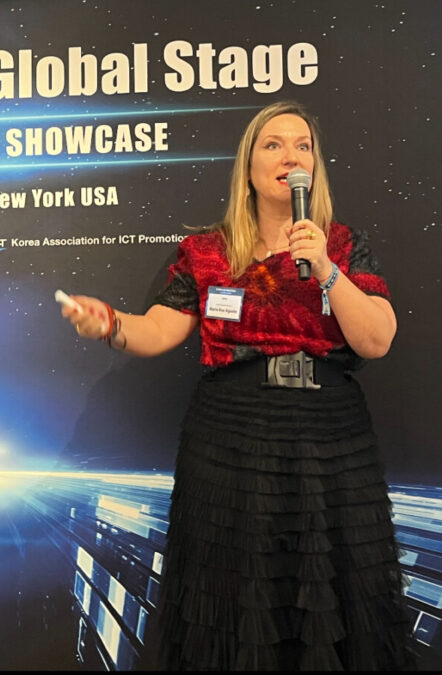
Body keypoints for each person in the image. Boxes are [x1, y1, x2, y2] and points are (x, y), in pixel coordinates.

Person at [60, 100, 416, 671]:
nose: (290, 157)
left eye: (302, 146)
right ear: (248, 167)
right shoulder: (207, 252)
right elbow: (158, 329)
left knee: (334, 593)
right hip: (231, 436)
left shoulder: (343, 246)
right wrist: (111, 325)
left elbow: (376, 339)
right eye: (273, 145)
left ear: (315, 166)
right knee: (234, 593)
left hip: (329, 438)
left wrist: (326, 269)